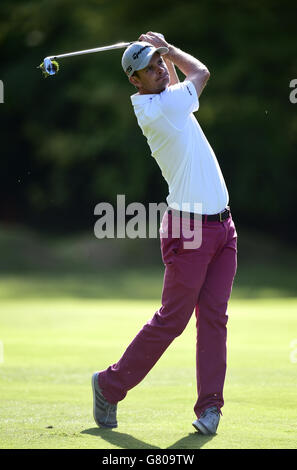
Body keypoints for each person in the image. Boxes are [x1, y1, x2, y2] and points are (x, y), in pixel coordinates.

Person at [92, 32, 237, 435]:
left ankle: (210, 409)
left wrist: (159, 53)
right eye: (149, 69)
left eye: (159, 64)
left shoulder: (165, 100)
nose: (159, 71)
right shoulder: (161, 109)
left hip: (223, 228)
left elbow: (175, 85)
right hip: (188, 230)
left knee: (214, 319)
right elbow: (201, 72)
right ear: (134, 81)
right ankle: (108, 385)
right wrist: (169, 48)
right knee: (172, 320)